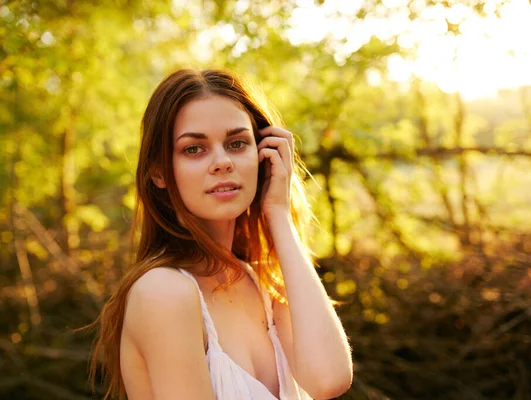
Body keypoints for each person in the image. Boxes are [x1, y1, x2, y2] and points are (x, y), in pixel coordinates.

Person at [89, 69, 353, 400]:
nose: (222, 162)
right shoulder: (163, 292)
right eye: (194, 149)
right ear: (158, 172)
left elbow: (330, 379)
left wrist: (279, 215)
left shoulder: (264, 283)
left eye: (237, 143)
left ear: (263, 156)